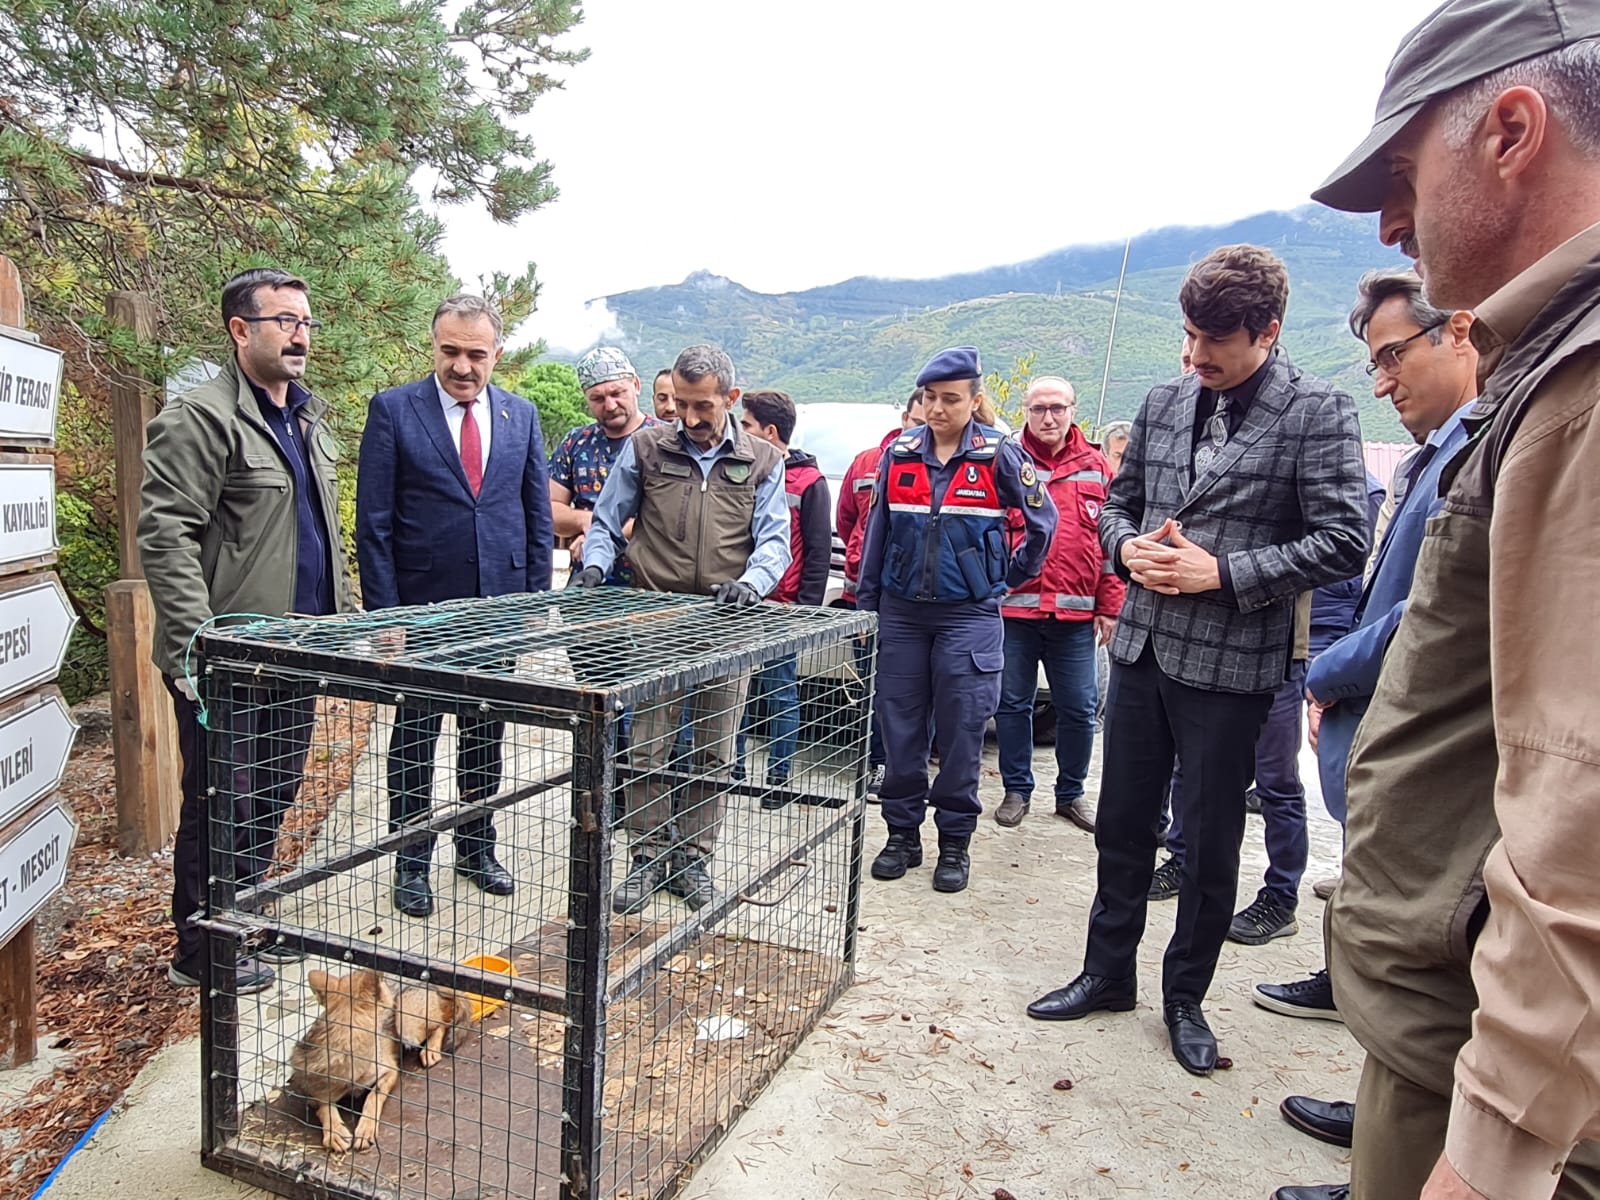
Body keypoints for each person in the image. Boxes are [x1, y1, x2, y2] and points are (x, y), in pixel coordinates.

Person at [1287, 6, 1600, 1199]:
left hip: (1493, 1071)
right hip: (1449, 1014)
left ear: (1512, 129)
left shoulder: (1576, 385)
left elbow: (1578, 823)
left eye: (1405, 173)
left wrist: (1490, 1153)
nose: (1389, 222)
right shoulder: (1540, 368)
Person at [1025, 245, 1369, 1078]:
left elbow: (1345, 539)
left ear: (1269, 332)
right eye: (1187, 337)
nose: (1195, 357)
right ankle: (1108, 974)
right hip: (1141, 650)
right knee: (1123, 828)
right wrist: (1126, 547)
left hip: (1233, 667)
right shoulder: (1165, 398)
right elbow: (1117, 502)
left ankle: (1186, 998)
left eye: (1214, 342)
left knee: (1211, 848)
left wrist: (1227, 573)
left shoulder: (1319, 411)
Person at [1260, 270, 1480, 1176]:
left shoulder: (1481, 444)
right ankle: (1384, 1130)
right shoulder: (1436, 449)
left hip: (1434, 750)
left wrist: (1328, 671)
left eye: (1394, 355)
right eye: (1373, 364)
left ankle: (1398, 1161)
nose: (1383, 380)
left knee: (1432, 980)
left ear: (1457, 333)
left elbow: (1428, 605)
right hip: (1383, 728)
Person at [139, 267, 354, 995]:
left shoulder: (306, 418)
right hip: (229, 659)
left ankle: (246, 919)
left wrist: (345, 625)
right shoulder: (201, 419)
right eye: (285, 321)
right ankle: (201, 949)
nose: (300, 336)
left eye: (306, 323)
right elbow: (167, 537)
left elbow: (321, 538)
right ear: (241, 329)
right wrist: (196, 646)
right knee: (219, 801)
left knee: (272, 793)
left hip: (297, 651)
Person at [570, 344, 790, 914]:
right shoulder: (647, 447)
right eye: (683, 406)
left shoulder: (763, 460)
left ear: (730, 399)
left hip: (726, 622)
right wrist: (594, 563)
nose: (690, 419)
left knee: (715, 751)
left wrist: (755, 582)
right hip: (655, 620)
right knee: (648, 747)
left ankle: (693, 860)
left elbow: (774, 540)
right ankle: (647, 858)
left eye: (704, 407)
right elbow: (607, 519)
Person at [356, 295, 553, 918]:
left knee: (484, 735)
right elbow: (374, 525)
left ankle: (477, 847)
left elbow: (535, 517)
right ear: (433, 346)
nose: (462, 366)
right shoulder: (393, 411)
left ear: (496, 354)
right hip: (421, 616)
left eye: (475, 354)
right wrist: (388, 616)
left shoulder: (521, 416)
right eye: (450, 352)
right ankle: (411, 862)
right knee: (415, 739)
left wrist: (530, 606)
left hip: (498, 614)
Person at [856, 347, 1055, 894]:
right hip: (901, 615)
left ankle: (954, 843)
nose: (938, 409)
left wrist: (1008, 578)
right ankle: (901, 835)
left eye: (950, 399)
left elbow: (1043, 522)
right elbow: (877, 534)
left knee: (963, 734)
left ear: (973, 400)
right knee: (899, 733)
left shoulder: (998, 456)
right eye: (930, 398)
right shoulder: (899, 453)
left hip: (968, 617)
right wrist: (866, 606)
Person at [993, 377, 1122, 833]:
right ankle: (1016, 790)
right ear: (1026, 412)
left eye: (1058, 408)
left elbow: (1110, 545)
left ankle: (1071, 794)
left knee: (1080, 707)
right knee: (1011, 703)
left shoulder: (1097, 467)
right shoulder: (1006, 463)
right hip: (1016, 613)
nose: (1048, 417)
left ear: (1073, 411)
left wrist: (1109, 606)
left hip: (1075, 617)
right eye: (1038, 409)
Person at [734, 389, 832, 798]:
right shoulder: (741, 470)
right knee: (735, 692)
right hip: (740, 602)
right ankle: (731, 769)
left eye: (748, 425)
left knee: (779, 692)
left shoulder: (810, 483)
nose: (740, 431)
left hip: (783, 610)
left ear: (769, 432)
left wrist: (805, 611)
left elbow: (818, 551)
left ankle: (779, 777)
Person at [837, 388, 926, 796]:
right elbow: (848, 522)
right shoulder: (868, 463)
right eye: (917, 421)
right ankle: (876, 764)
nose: (924, 429)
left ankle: (913, 767)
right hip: (870, 595)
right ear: (904, 419)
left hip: (919, 601)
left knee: (922, 692)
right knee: (878, 689)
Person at [547, 347, 658, 573]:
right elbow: (549, 509)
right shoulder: (575, 443)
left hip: (651, 581)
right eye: (597, 398)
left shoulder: (665, 441)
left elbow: (673, 516)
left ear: (636, 385)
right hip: (588, 578)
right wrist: (585, 521)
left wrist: (601, 534)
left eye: (617, 393)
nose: (610, 405)